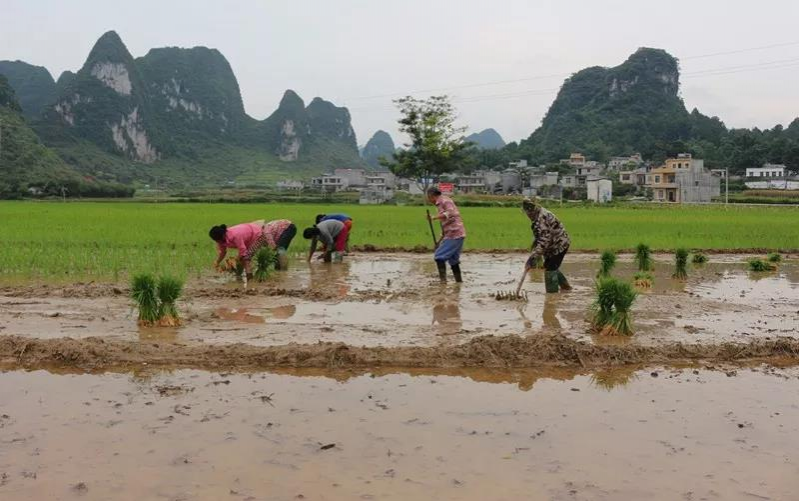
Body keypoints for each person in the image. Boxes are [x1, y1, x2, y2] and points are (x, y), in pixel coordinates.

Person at [209, 219, 297, 276]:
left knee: (279, 251)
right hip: (250, 234)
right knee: (245, 257)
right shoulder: (220, 240)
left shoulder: (237, 235)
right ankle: (239, 275)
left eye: (219, 240)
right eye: (217, 241)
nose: (218, 243)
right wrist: (217, 262)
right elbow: (223, 252)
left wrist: (236, 260)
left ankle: (282, 272)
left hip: (258, 233)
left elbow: (243, 251)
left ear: (223, 235)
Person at [522, 199, 571, 293]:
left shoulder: (541, 219)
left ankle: (552, 296)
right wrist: (535, 245)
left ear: (531, 212)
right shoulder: (538, 214)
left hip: (559, 245)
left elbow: (544, 241)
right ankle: (566, 288)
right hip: (553, 244)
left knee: (550, 269)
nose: (527, 216)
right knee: (550, 266)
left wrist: (533, 257)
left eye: (528, 213)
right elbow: (541, 236)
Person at [426, 186, 466, 283]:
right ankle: (458, 282)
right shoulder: (440, 203)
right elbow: (445, 225)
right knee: (453, 261)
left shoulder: (445, 201)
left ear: (431, 196)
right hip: (453, 234)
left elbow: (451, 212)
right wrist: (439, 241)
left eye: (428, 197)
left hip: (455, 234)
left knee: (439, 256)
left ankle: (443, 282)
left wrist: (434, 218)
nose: (428, 199)